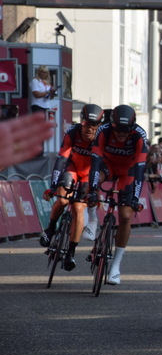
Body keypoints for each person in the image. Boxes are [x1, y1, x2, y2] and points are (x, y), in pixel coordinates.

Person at [87, 105, 149, 285]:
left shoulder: (139, 136)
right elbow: (95, 161)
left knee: (125, 216)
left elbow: (139, 169)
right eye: (118, 129)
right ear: (111, 124)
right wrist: (92, 190)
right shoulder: (103, 130)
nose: (122, 134)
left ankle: (115, 266)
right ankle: (92, 219)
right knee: (91, 185)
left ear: (132, 128)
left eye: (126, 130)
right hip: (107, 166)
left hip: (128, 172)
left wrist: (135, 199)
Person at [39, 104, 104, 269]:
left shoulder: (102, 138)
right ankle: (51, 228)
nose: (89, 128)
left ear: (99, 126)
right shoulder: (73, 133)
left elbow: (101, 166)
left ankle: (71, 253)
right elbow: (61, 159)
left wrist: (95, 189)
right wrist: (53, 187)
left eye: (94, 125)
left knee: (78, 209)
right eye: (86, 124)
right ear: (81, 122)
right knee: (62, 200)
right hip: (72, 167)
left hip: (89, 173)